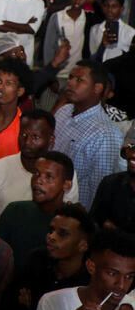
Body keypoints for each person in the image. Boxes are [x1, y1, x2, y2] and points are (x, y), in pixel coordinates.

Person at [53, 60, 125, 209]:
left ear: (97, 88)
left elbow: (100, 188)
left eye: (79, 80)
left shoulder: (106, 134)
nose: (71, 83)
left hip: (76, 214)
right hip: (51, 204)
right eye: (70, 78)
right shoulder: (63, 112)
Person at [0, 152, 74, 270]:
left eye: (49, 177)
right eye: (36, 173)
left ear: (66, 185)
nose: (38, 180)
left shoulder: (75, 224)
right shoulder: (14, 211)